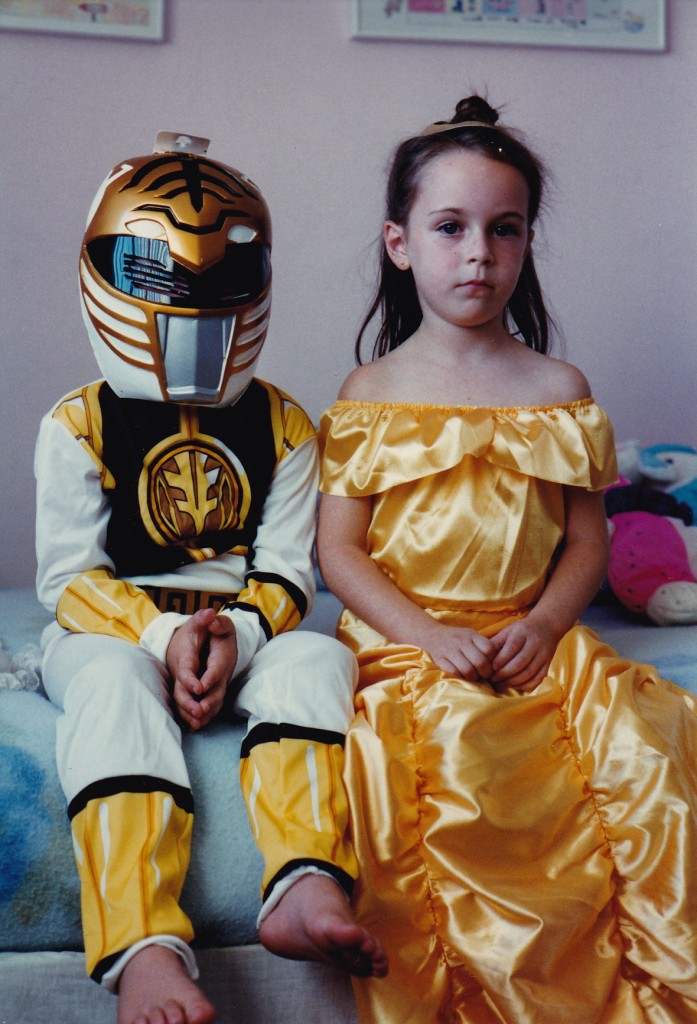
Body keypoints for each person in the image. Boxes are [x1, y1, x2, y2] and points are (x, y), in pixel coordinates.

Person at [316, 96, 697, 1023]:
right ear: (400, 244)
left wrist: (546, 623)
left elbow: (587, 538)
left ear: (526, 243)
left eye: (504, 229)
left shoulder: (556, 389)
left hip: (534, 639)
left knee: (644, 752)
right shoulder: (370, 392)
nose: (477, 254)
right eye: (449, 228)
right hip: (411, 642)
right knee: (447, 759)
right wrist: (426, 636)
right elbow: (338, 549)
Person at [35, 132, 387, 1024]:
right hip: (112, 634)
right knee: (113, 690)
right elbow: (69, 579)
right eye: (157, 273)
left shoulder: (286, 424)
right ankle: (142, 945)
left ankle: (304, 883)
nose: (189, 303)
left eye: (222, 274)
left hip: (242, 633)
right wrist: (162, 636)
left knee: (319, 660)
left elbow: (289, 571)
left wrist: (239, 636)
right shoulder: (76, 423)